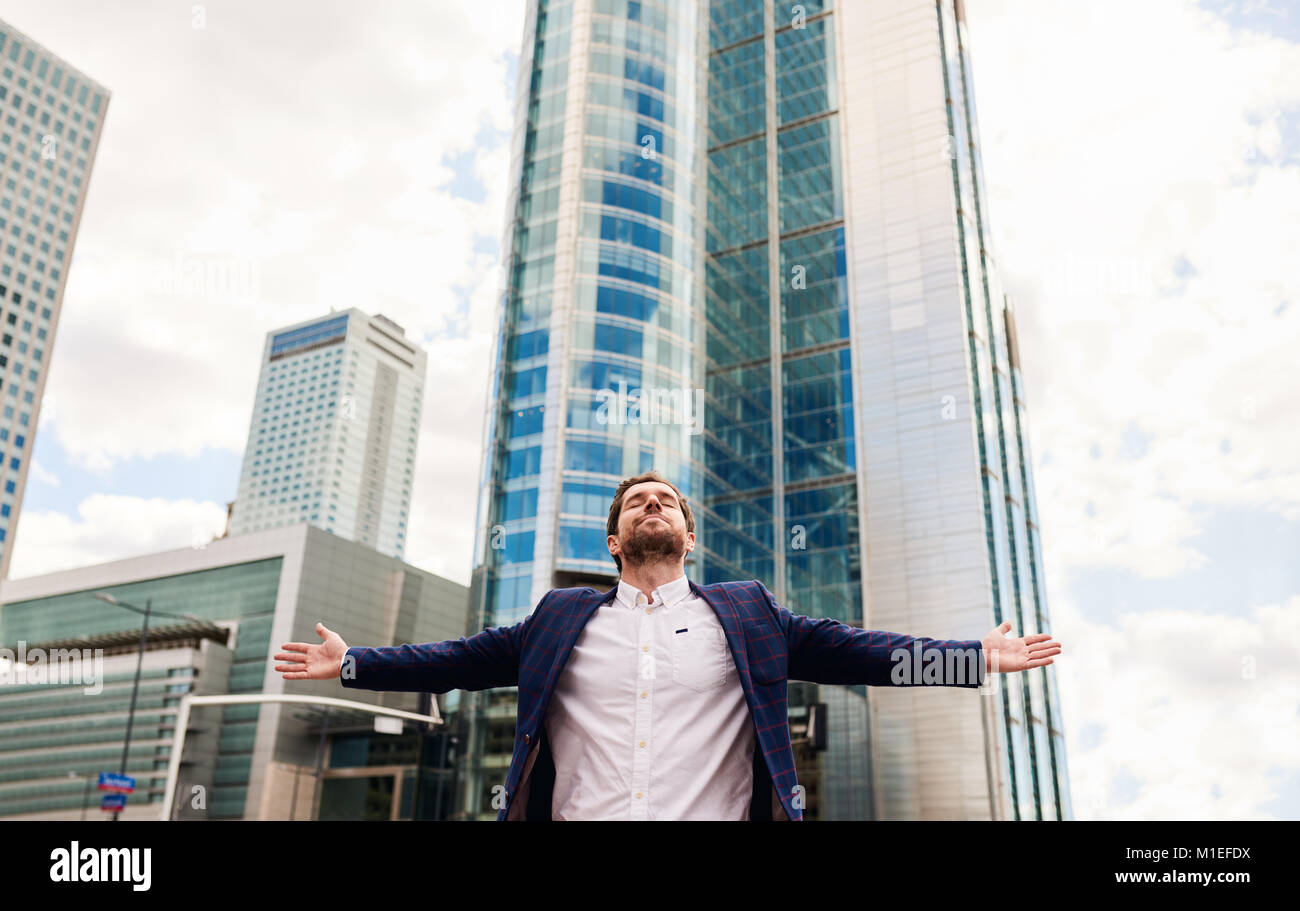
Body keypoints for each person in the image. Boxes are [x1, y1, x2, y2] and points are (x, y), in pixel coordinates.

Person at [275, 470, 1062, 820]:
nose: (652, 506)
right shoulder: (558, 617)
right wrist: (352, 662)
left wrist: (969, 656)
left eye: (666, 502)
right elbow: (461, 658)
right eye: (636, 503)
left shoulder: (748, 612)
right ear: (616, 539)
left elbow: (856, 650)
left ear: (688, 534)